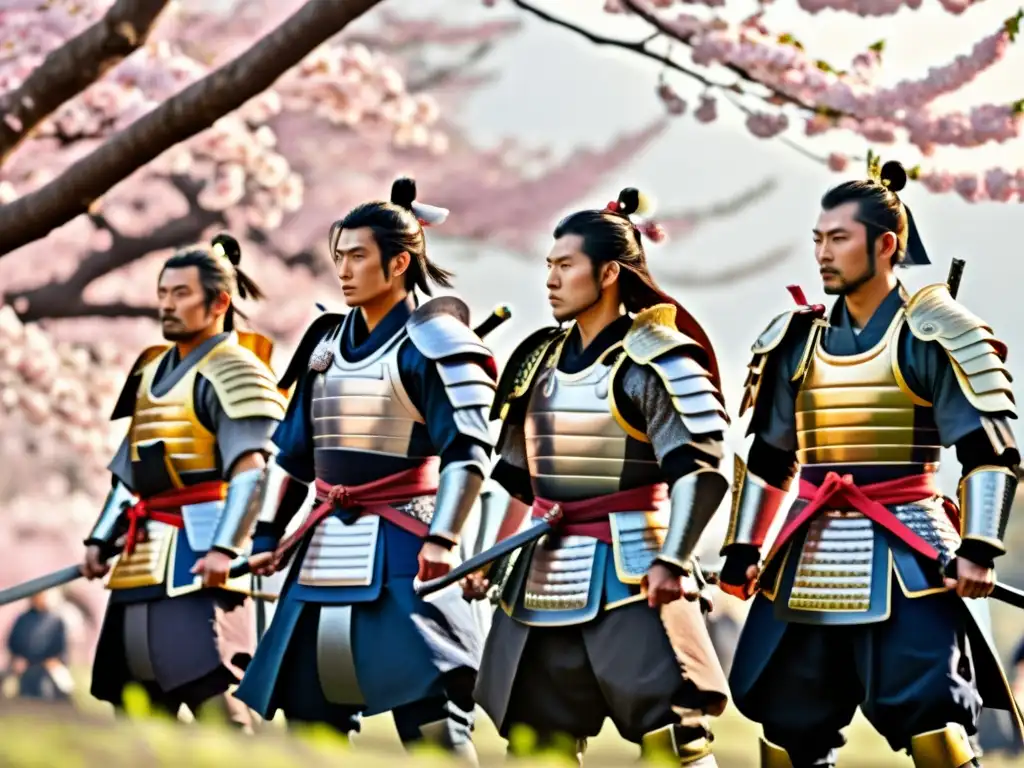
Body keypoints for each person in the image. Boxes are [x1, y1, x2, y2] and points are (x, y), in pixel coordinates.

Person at [718, 160, 1022, 767]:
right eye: (818, 240)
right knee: (784, 727)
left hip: (910, 550)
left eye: (839, 239)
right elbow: (771, 457)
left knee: (935, 722)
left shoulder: (937, 332)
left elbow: (990, 449)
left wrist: (980, 548)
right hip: (806, 553)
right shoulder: (793, 340)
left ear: (885, 245)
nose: (823, 254)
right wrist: (744, 548)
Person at [232, 178, 496, 764]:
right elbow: (295, 457)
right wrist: (269, 536)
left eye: (358, 257)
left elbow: (468, 452)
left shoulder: (436, 343)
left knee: (432, 719)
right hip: (322, 548)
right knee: (309, 718)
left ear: (399, 261)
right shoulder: (324, 343)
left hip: (408, 543)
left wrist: (444, 538)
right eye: (339, 256)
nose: (344, 270)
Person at [471, 187, 731, 766]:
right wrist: (490, 556)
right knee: (538, 745)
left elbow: (701, 469)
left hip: (634, 570)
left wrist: (673, 558)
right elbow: (514, 478)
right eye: (549, 266)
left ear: (609, 271)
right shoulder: (536, 359)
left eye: (566, 266)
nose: (551, 280)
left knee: (675, 739)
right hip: (539, 577)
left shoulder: (658, 357)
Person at [80, 234, 287, 730]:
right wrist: (99, 538)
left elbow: (250, 470)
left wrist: (225, 547)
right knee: (133, 697)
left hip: (199, 553)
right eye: (163, 293)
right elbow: (129, 473)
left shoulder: (238, 370)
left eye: (181, 294)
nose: (167, 306)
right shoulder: (150, 370)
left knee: (211, 688)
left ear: (219, 302)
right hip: (139, 554)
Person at [4, 590, 74, 702]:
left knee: (64, 683)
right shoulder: (23, 619)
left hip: (49, 662)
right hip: (24, 662)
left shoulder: (55, 620)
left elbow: (60, 644)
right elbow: (13, 640)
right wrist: (17, 657)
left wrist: (54, 660)